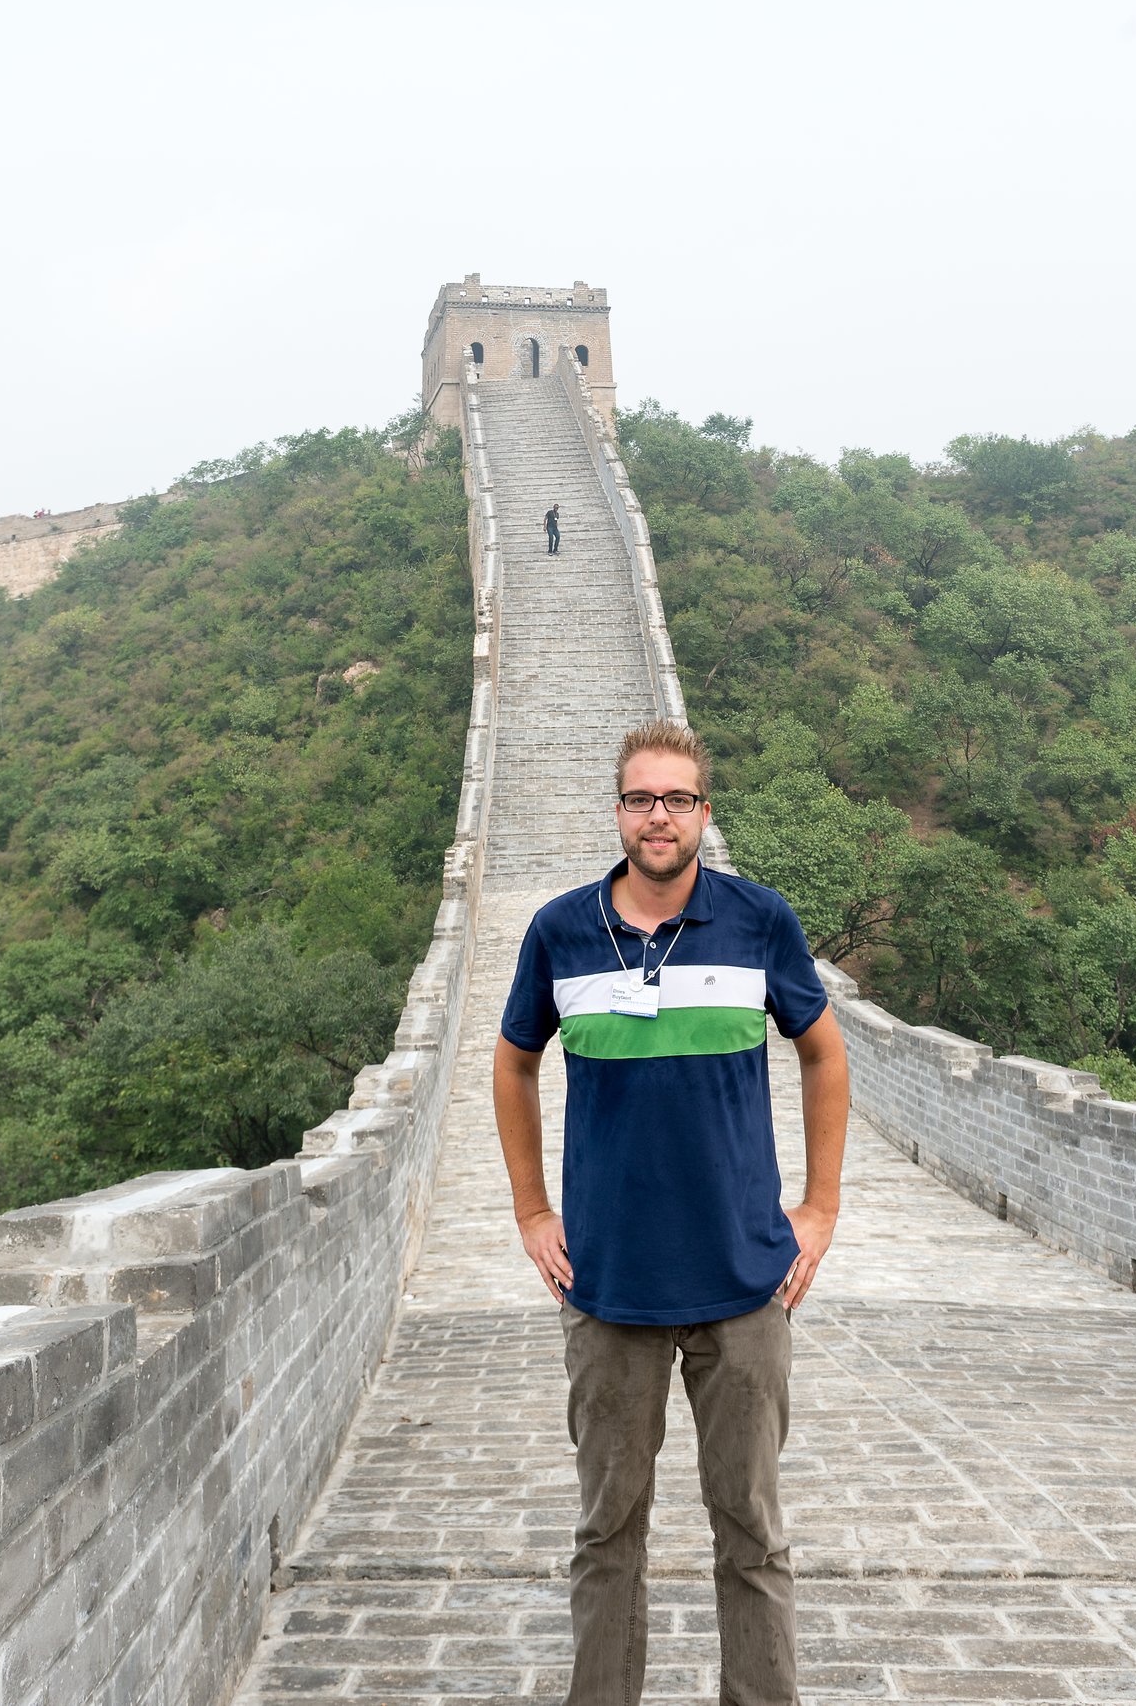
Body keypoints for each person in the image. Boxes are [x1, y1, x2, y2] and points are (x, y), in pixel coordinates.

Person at [493, 719, 849, 1706]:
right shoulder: (561, 932)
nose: (658, 816)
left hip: (744, 1284)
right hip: (607, 1286)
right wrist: (531, 1209)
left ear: (702, 811)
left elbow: (823, 1053)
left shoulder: (758, 920)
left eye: (676, 799)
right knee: (606, 1535)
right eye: (640, 799)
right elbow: (512, 1060)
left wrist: (817, 1208)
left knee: (751, 1533)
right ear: (616, 811)